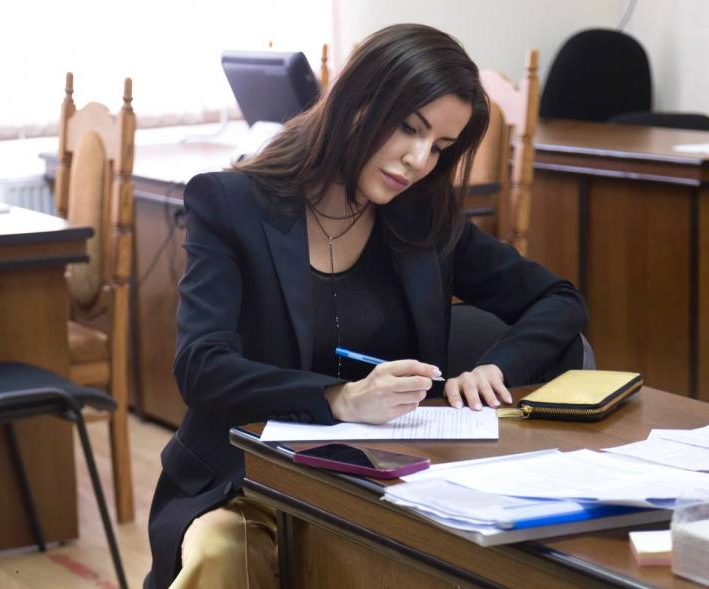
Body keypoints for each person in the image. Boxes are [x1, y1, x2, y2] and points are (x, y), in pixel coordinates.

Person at [146, 23, 588, 589]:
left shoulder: (426, 223)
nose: (419, 160)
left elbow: (559, 298)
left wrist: (496, 367)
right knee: (223, 550)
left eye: (440, 147)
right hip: (249, 482)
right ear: (358, 99)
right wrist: (339, 397)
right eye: (410, 128)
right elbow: (201, 367)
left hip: (384, 487)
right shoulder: (231, 204)